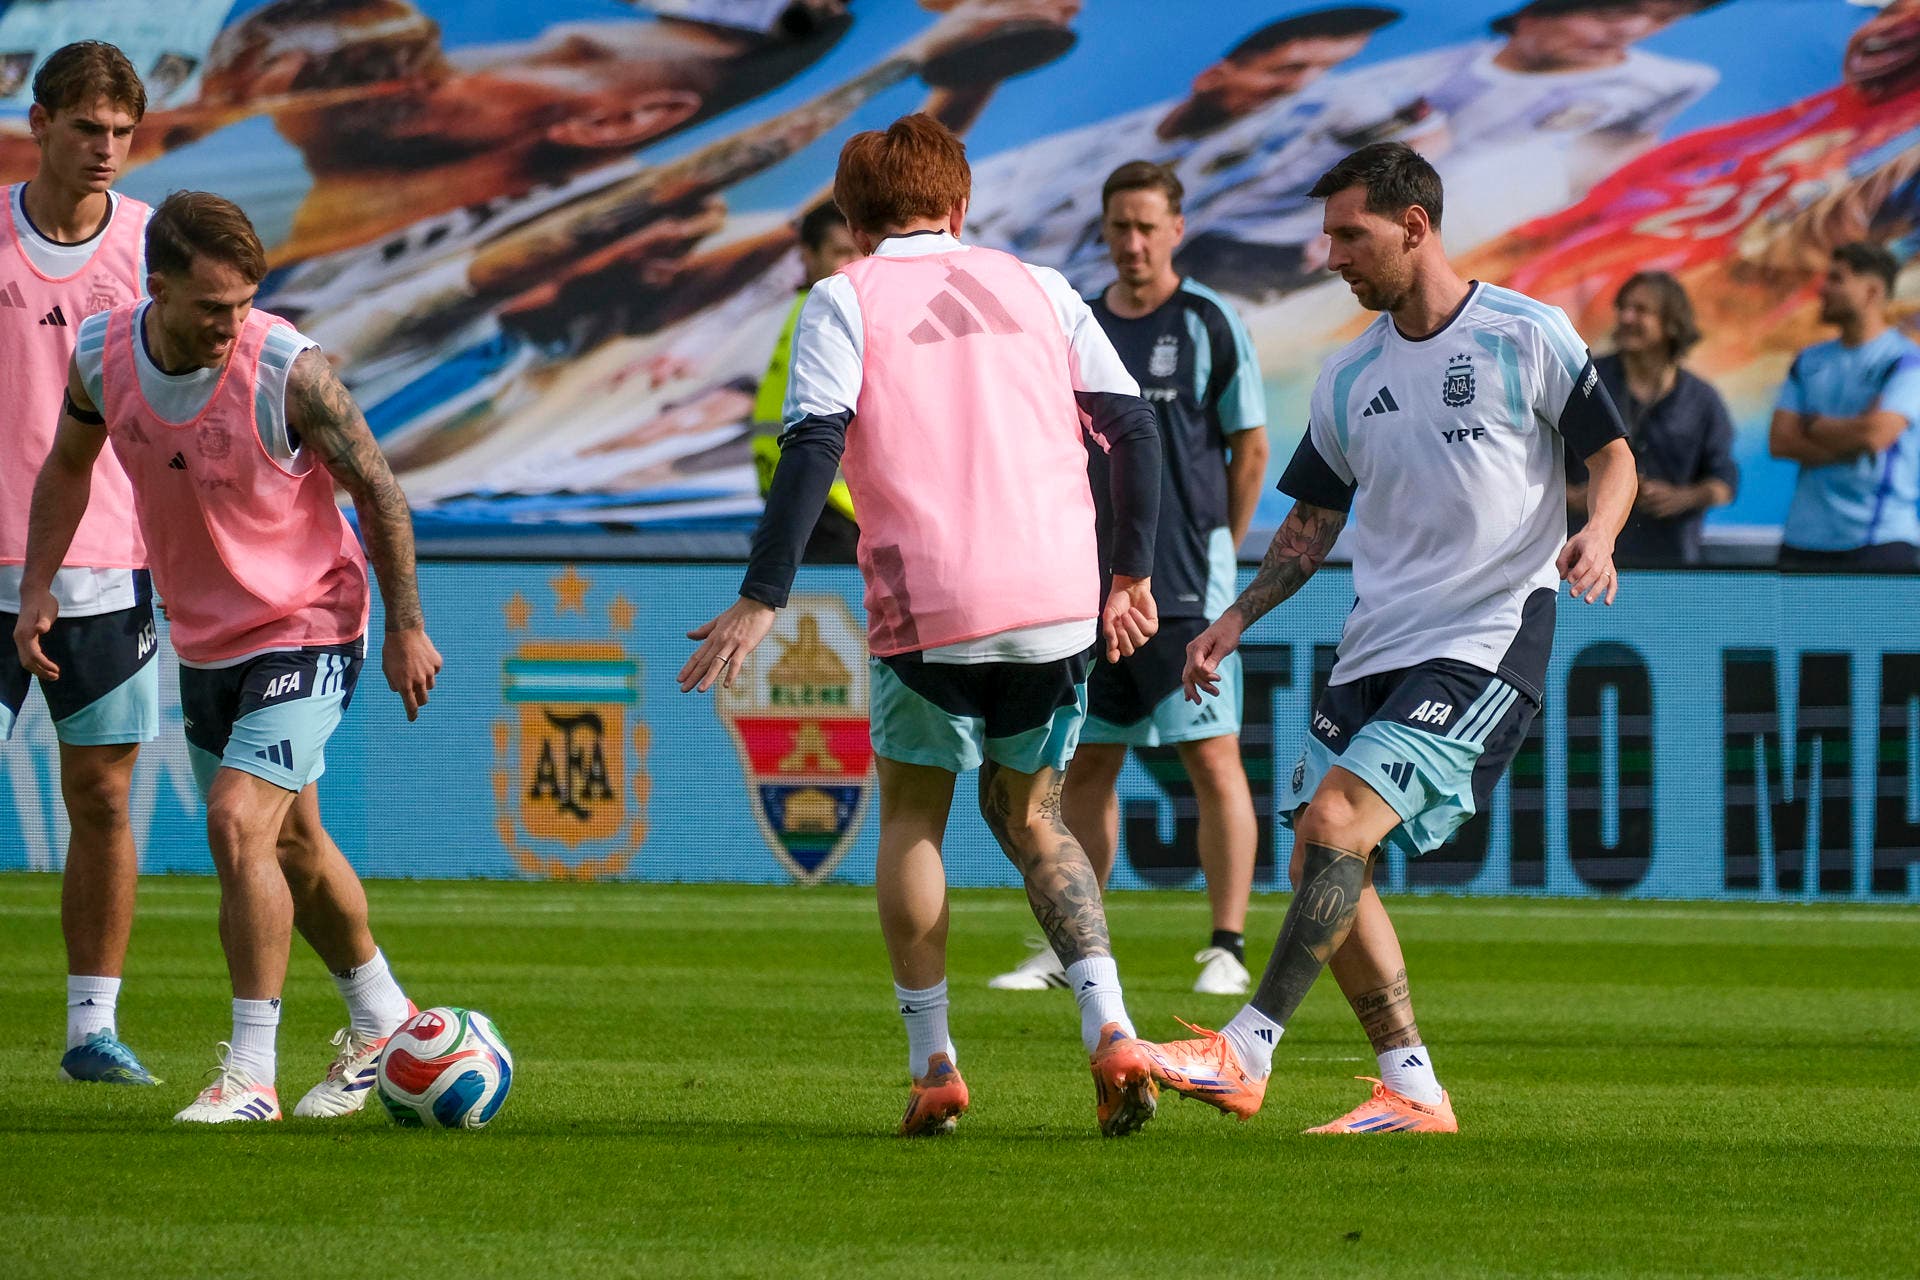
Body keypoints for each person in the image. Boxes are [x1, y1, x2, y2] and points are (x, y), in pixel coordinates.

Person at [679, 114, 1166, 1137]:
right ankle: (1112, 1023)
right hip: (1053, 597)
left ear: (853, 223)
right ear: (960, 203)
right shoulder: (1042, 285)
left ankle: (934, 1061)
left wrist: (764, 594)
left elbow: (813, 445)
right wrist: (1131, 572)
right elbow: (1132, 428)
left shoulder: (842, 298)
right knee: (1036, 816)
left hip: (927, 602)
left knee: (913, 818)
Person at [1148, 143, 1635, 1133]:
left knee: (1333, 826)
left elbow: (1613, 453)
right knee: (1325, 857)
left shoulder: (1526, 333)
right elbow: (1312, 523)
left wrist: (1602, 527)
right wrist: (1236, 618)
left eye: (1349, 234)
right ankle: (1412, 1084)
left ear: (1415, 226)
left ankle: (1243, 1052)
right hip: (1374, 645)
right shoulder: (1348, 373)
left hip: (1488, 637)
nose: (1331, 255)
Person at [14, 191, 444, 1123]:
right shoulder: (101, 355)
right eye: (214, 308)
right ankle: (385, 1018)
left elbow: (377, 487)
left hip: (311, 620)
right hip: (206, 638)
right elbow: (68, 466)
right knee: (290, 842)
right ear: (156, 289)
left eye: (246, 303)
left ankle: (251, 1075)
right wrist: (39, 581)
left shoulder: (287, 369)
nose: (232, 324)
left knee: (236, 823)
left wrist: (407, 623)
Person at [990, 161, 1265, 996]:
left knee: (1213, 762)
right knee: (1088, 771)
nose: (1134, 243)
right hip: (1088, 591)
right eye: (1120, 227)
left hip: (1185, 591)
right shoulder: (1076, 322)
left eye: (1148, 226)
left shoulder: (1210, 322)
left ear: (1176, 229)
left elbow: (1248, 445)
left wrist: (1221, 547)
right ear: (1104, 232)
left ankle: (1227, 945)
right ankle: (1074, 948)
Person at [0, 42, 157, 1087]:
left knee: (99, 796)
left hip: (106, 567)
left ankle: (92, 1028)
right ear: (41, 121)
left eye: (122, 132)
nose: (105, 149)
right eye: (88, 127)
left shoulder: (153, 246)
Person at [1178, 0, 1722, 302]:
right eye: (1610, 11)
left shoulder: (1666, 85)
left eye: (1660, 18)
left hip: (1459, 262)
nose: (1628, 30)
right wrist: (1343, 232)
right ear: (1533, 14)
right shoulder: (1413, 78)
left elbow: (1616, 166)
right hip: (1282, 250)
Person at [966, 6, 1401, 285]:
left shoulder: (1305, 121)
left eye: (1323, 70)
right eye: (1287, 70)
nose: (1299, 86)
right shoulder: (1078, 152)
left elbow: (1418, 144)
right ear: (1213, 75)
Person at [1567, 271, 1736, 566]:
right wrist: (1573, 497)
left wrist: (1684, 497)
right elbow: (1538, 466)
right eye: (1623, 308)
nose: (1626, 317)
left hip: (1672, 563)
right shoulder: (1585, 382)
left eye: (1641, 310)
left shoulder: (1702, 399)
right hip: (1584, 561)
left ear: (1672, 324)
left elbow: (1725, 483)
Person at [1769, 243, 1920, 570]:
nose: (1822, 289)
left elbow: (1874, 436)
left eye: (1837, 279)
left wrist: (1813, 425)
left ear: (1872, 291)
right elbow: (1780, 441)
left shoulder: (1904, 361)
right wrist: (1850, 438)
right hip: (1803, 539)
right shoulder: (1809, 360)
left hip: (1878, 538)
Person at [751, 202, 861, 562]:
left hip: (836, 508)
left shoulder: (830, 312)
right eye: (840, 252)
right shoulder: (811, 311)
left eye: (859, 252)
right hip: (813, 507)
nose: (852, 264)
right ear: (807, 254)